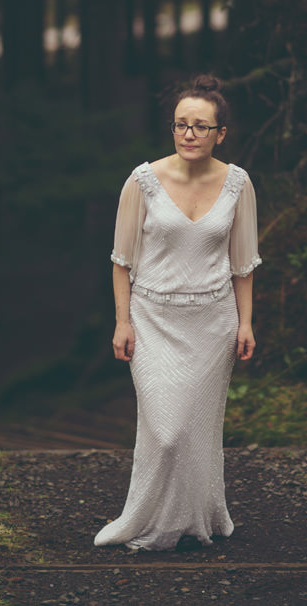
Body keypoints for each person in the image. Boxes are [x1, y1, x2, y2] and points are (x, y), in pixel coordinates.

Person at [95, 74, 262, 551]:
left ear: (220, 134)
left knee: (198, 427)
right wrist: (122, 320)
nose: (189, 134)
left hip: (213, 322)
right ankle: (147, 521)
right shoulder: (143, 181)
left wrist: (246, 322)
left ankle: (197, 516)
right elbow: (121, 260)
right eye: (181, 125)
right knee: (166, 430)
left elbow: (243, 265)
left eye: (201, 127)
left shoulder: (237, 184)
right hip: (152, 320)